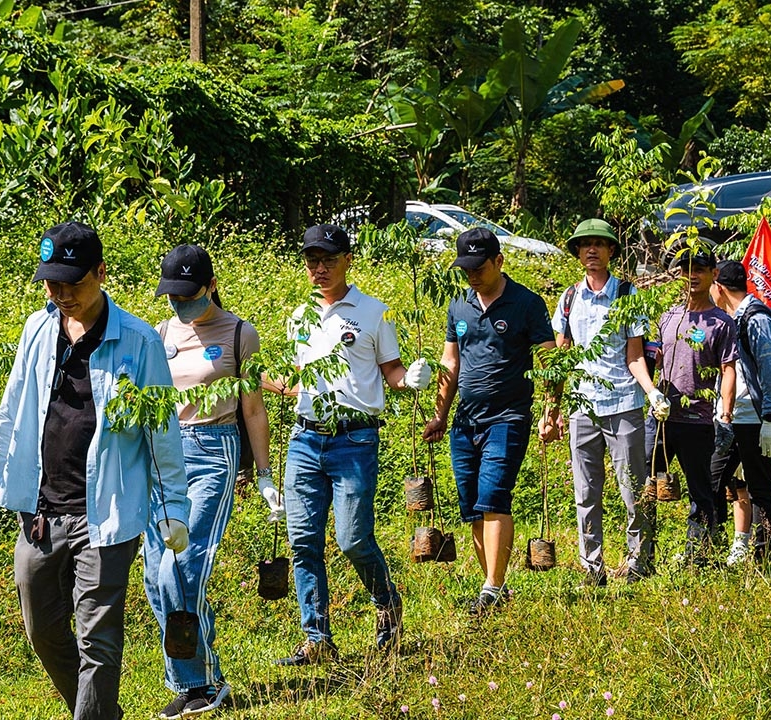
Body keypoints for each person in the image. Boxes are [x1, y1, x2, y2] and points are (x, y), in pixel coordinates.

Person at [0, 222, 190, 720]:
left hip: (107, 513)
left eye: (72, 283)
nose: (61, 294)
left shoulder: (139, 342)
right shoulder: (38, 330)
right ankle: (101, 711)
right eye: (51, 283)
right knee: (40, 628)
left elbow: (161, 431)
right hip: (41, 510)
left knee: (98, 640)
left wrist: (174, 508)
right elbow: (13, 412)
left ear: (101, 273)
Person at [275, 224, 431, 665]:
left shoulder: (373, 313)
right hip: (305, 439)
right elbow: (292, 380)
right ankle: (316, 638)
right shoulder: (299, 316)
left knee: (351, 538)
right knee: (303, 541)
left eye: (327, 260)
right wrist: (245, 376)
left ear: (348, 260)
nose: (319, 269)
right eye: (312, 261)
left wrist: (410, 380)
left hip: (355, 439)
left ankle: (387, 602)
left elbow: (393, 374)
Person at [146, 245, 277, 719]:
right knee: (155, 578)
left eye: (189, 295)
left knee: (180, 570)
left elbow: (254, 408)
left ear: (211, 286)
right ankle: (196, 679)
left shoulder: (241, 334)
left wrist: (262, 475)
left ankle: (199, 683)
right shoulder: (159, 333)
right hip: (161, 456)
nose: (180, 304)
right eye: (173, 296)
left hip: (212, 451)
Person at [423, 228, 555, 613]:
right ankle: (491, 587)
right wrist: (439, 415)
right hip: (465, 421)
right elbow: (450, 362)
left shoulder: (527, 303)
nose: (472, 276)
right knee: (473, 506)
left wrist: (551, 410)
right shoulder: (459, 306)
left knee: (495, 495)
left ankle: (493, 587)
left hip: (509, 416)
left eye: (479, 268)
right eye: (466, 269)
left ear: (499, 262)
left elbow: (548, 358)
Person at [551, 219, 667, 586]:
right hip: (581, 407)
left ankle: (639, 561)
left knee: (632, 488)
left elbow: (634, 357)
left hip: (623, 403)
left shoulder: (627, 295)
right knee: (586, 491)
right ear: (578, 252)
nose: (592, 251)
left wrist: (651, 391)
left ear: (612, 250)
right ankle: (592, 566)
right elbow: (561, 361)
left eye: (599, 245)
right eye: (585, 245)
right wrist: (550, 409)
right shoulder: (569, 299)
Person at [651, 245, 737, 564]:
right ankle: (643, 554)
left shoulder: (721, 323)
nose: (692, 276)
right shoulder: (668, 317)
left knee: (701, 492)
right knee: (648, 485)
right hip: (661, 418)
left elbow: (729, 369)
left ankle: (698, 554)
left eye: (699, 269)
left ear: (713, 275)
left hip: (698, 419)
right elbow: (655, 358)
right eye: (686, 269)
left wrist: (724, 414)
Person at [708, 260, 771, 565]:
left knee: (761, 488)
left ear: (720, 288)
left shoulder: (756, 319)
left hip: (754, 419)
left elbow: (770, 369)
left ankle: (763, 554)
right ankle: (710, 548)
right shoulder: (731, 318)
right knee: (712, 482)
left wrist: (770, 417)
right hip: (730, 419)